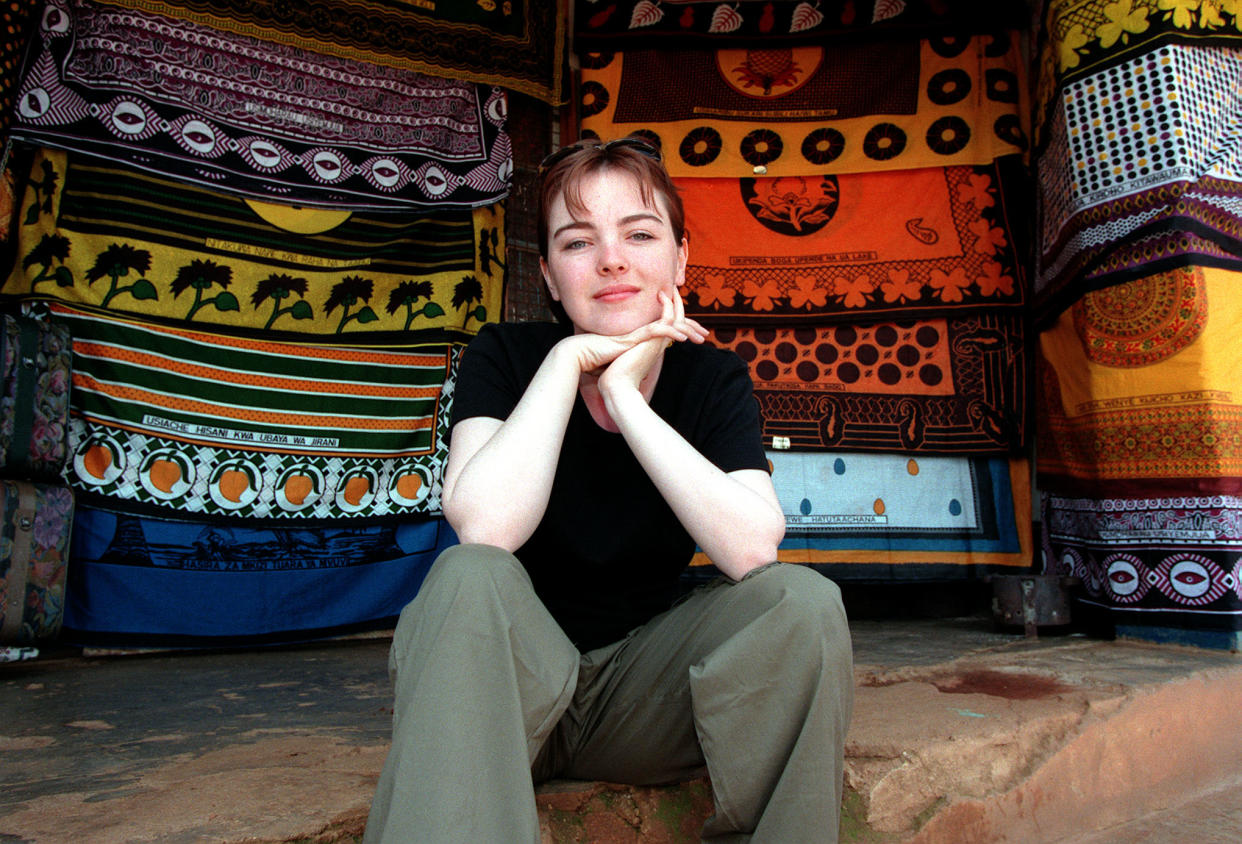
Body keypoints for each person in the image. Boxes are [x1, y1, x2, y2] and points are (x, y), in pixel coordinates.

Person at [364, 137, 854, 843]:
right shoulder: (503, 356)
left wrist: (626, 398)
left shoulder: (710, 378)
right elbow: (486, 528)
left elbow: (752, 550)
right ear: (550, 277)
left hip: (645, 701)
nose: (612, 260)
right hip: (503, 696)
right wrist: (567, 363)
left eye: (640, 234)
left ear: (681, 259)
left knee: (805, 604)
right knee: (468, 575)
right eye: (577, 242)